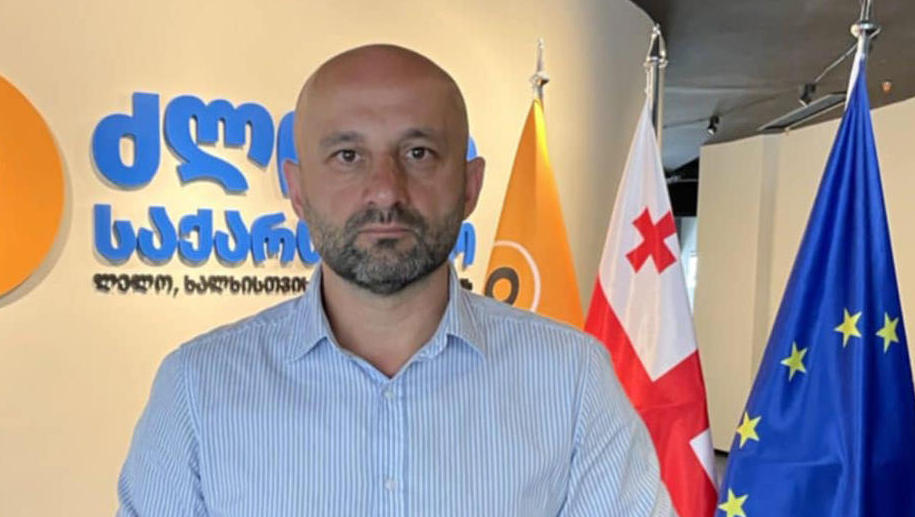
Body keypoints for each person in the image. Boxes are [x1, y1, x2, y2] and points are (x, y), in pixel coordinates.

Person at [117, 44, 674, 517]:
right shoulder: (197, 388)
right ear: (298, 190)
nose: (385, 189)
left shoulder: (573, 380)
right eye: (348, 155)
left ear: (470, 185)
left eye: (418, 153)